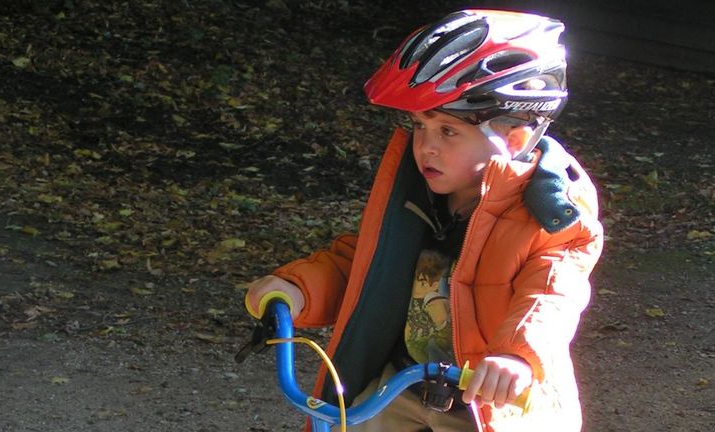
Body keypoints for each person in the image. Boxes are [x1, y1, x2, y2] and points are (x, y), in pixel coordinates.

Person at [245, 9, 604, 432]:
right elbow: (367, 264)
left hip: (485, 403)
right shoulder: (417, 197)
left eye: (448, 132)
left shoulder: (551, 214)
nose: (426, 148)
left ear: (515, 139)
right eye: (418, 126)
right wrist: (296, 290)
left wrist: (515, 357)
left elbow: (550, 297)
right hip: (400, 387)